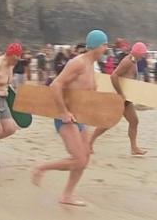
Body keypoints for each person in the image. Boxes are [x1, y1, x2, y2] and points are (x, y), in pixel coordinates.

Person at [31, 30, 109, 206]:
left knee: (85, 158)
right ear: (96, 45)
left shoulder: (92, 66)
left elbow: (88, 95)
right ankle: (41, 167)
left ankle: (67, 196)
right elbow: (55, 84)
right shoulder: (78, 63)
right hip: (66, 117)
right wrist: (63, 112)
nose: (106, 48)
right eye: (105, 44)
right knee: (79, 159)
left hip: (81, 118)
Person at [89, 42, 148, 155]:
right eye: (142, 54)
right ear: (137, 52)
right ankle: (89, 143)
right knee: (108, 122)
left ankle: (134, 148)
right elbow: (114, 75)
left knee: (134, 121)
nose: (143, 56)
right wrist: (120, 93)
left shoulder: (134, 61)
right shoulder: (127, 61)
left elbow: (129, 80)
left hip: (127, 98)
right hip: (119, 98)